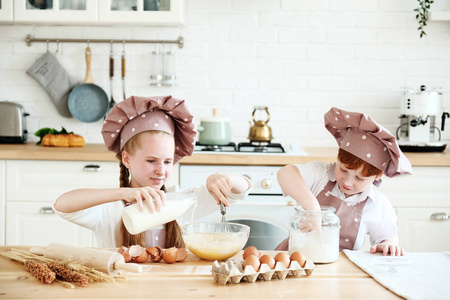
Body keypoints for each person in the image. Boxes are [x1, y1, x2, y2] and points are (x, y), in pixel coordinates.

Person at [53, 95, 252, 248]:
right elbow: (62, 205)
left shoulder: (181, 200)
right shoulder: (110, 209)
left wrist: (222, 179)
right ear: (126, 159)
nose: (161, 170)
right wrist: (124, 193)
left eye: (167, 162)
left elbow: (243, 188)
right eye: (151, 160)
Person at [275, 107, 412, 256]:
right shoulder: (321, 174)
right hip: (295, 261)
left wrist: (387, 245)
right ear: (338, 158)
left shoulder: (377, 205)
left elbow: (386, 239)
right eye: (343, 169)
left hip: (339, 270)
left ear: (378, 175)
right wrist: (313, 208)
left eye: (359, 178)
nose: (347, 182)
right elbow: (286, 173)